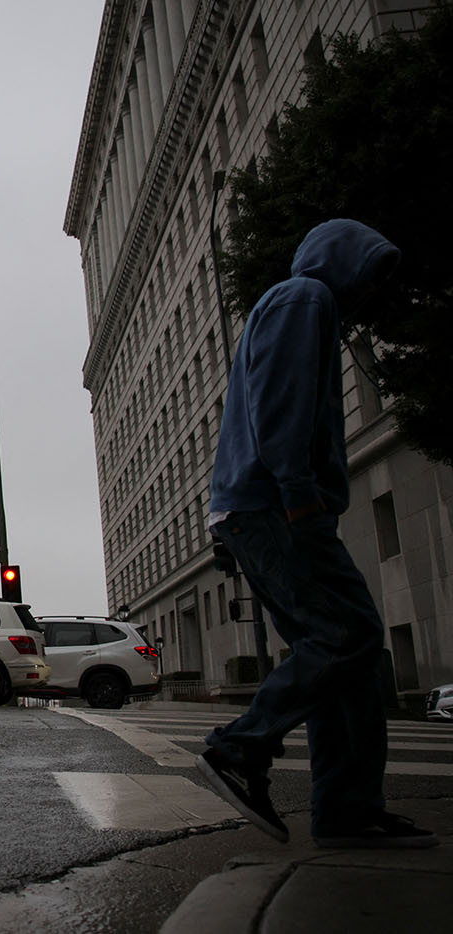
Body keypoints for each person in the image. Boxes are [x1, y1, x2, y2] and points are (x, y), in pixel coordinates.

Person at [198, 218, 437, 849]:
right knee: (349, 633)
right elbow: (281, 406)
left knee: (346, 664)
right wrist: (300, 497)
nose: (374, 288)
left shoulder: (305, 305)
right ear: (344, 259)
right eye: (373, 269)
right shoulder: (306, 297)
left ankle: (347, 811)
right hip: (276, 505)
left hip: (262, 507)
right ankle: (239, 748)